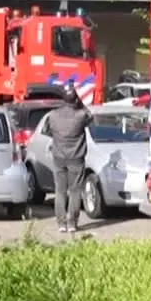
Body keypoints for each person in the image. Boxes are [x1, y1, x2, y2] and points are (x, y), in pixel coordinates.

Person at [44, 83, 93, 234]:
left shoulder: (52, 115)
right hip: (77, 157)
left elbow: (46, 131)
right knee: (75, 191)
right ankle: (72, 223)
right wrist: (81, 103)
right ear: (75, 99)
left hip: (59, 156)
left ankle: (61, 223)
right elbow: (90, 117)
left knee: (60, 191)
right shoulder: (81, 115)